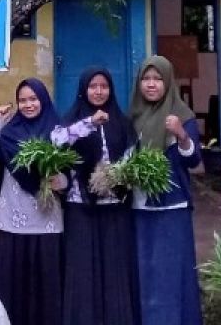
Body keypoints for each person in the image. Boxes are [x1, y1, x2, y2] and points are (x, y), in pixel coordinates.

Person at [52, 66, 140, 325]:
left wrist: (117, 174)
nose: (99, 91)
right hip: (81, 207)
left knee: (114, 269)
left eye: (104, 86)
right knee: (83, 270)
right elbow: (56, 142)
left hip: (114, 207)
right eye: (93, 86)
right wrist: (89, 123)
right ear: (83, 90)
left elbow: (132, 154)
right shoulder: (72, 121)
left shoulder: (122, 123)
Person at [0, 78, 64, 325]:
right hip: (12, 218)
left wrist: (61, 182)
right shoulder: (9, 131)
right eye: (22, 100)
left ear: (43, 100)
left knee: (45, 284)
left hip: (46, 217)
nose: (28, 105)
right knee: (13, 284)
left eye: (33, 99)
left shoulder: (57, 132)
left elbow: (71, 171)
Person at [129, 55, 204, 325]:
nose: (151, 85)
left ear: (168, 82)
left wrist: (181, 135)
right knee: (144, 271)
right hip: (139, 209)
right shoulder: (133, 117)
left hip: (172, 209)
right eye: (146, 79)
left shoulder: (182, 116)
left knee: (171, 272)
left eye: (157, 79)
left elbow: (193, 160)